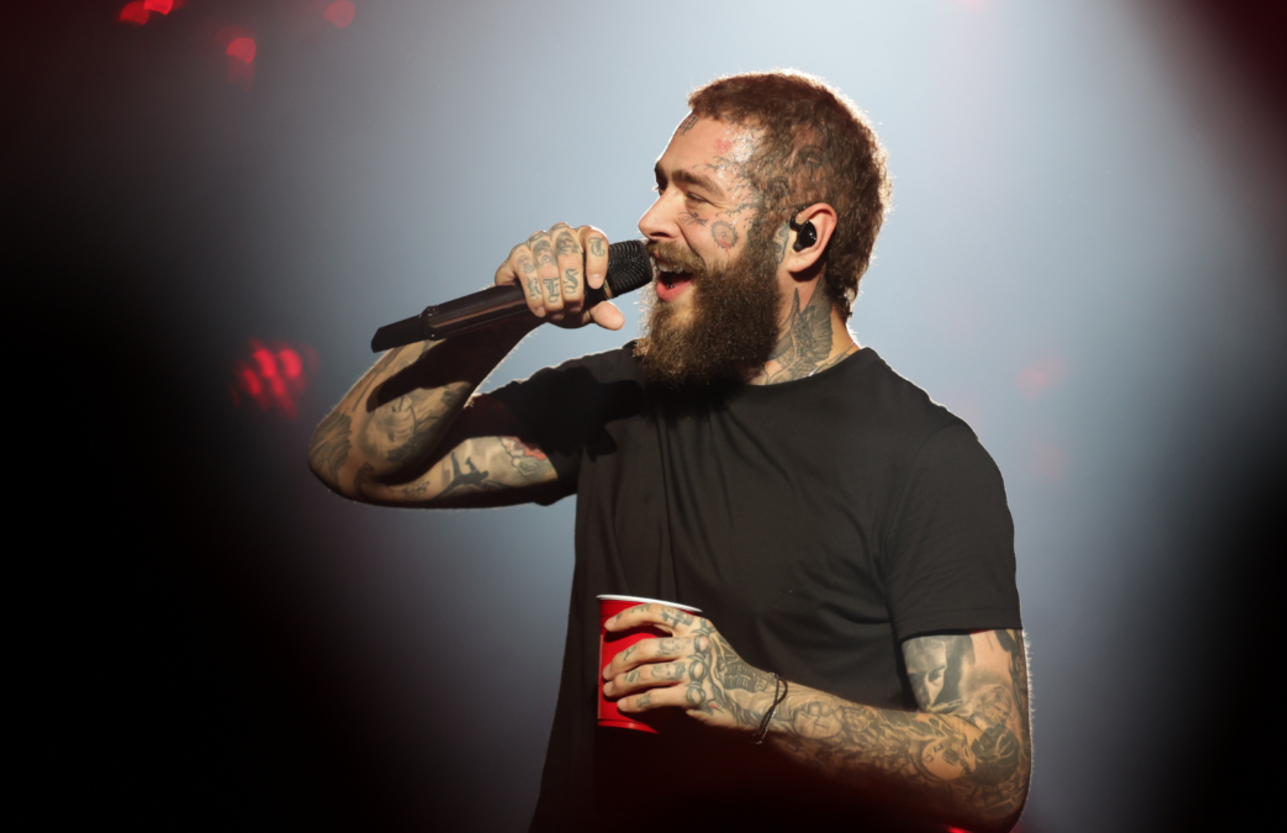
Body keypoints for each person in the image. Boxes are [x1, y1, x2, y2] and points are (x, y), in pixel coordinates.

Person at [310, 71, 1029, 833]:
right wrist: (508, 313)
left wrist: (755, 700)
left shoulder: (924, 459)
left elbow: (993, 776)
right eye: (660, 186)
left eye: (697, 197)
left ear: (804, 237)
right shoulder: (624, 395)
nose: (651, 219)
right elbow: (352, 458)